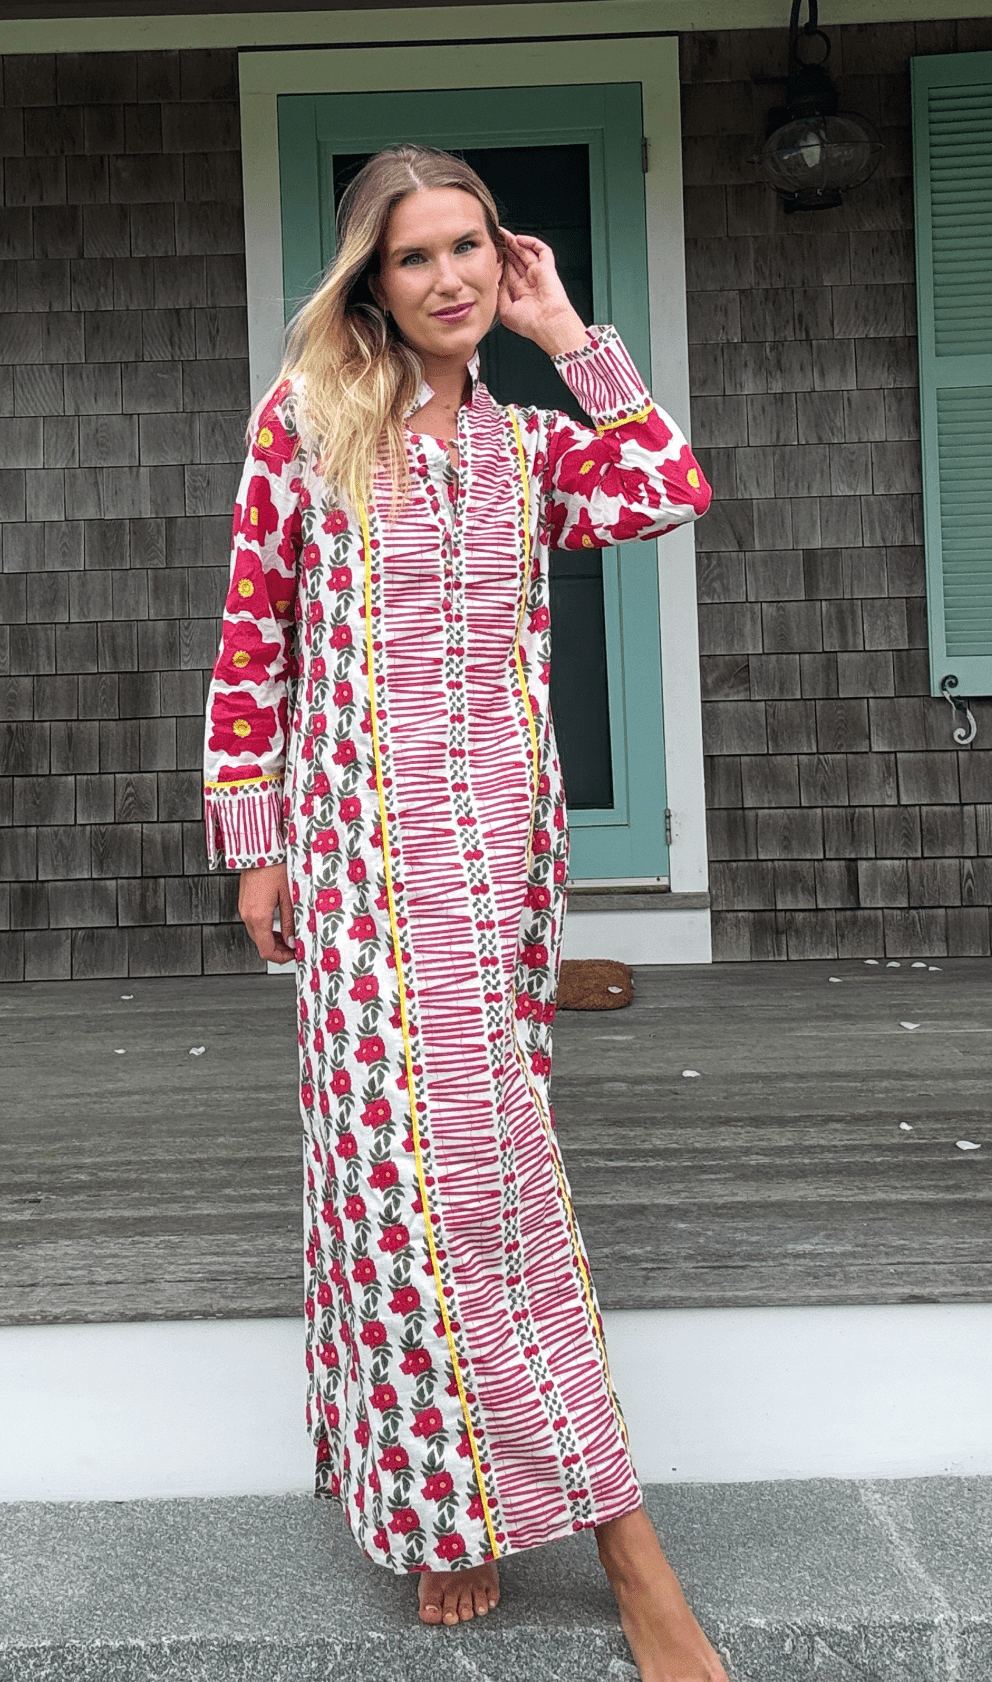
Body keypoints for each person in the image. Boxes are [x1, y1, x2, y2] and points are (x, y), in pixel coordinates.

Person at [203, 145, 723, 1681]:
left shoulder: (529, 451)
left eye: (471, 250)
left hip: (501, 866)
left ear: (507, 263)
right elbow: (252, 642)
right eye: (416, 255)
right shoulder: (307, 425)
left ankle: (516, 1504)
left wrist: (571, 338)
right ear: (371, 280)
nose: (449, 279)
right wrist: (255, 845)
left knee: (483, 1186)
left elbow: (668, 487)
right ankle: (498, 1520)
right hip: (360, 869)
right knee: (394, 1195)